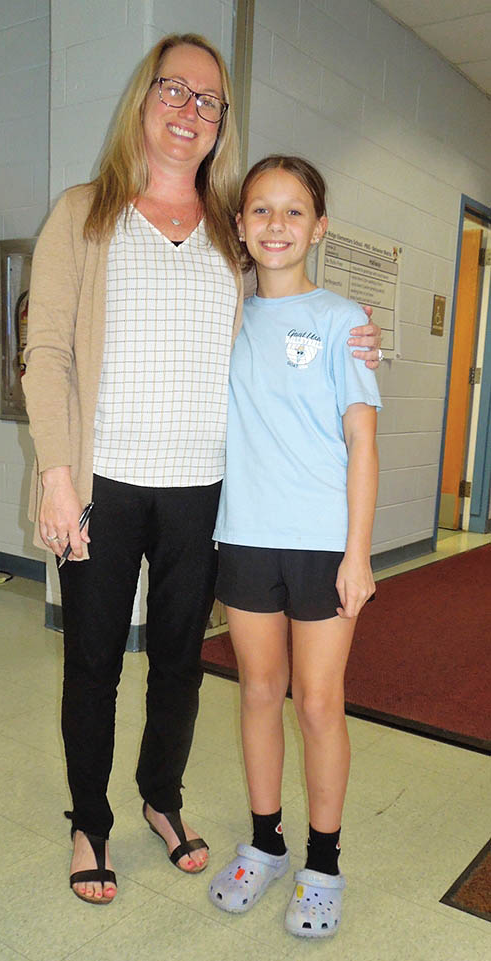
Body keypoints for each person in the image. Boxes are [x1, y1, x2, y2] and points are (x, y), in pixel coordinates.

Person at [23, 36, 382, 906]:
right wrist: (57, 476)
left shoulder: (230, 230)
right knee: (94, 663)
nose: (189, 110)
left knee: (180, 663)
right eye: (174, 91)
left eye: (208, 100)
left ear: (222, 122)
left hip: (205, 492)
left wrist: (357, 335)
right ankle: (89, 821)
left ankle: (162, 797)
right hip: (102, 486)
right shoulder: (84, 213)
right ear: (143, 100)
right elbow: (47, 349)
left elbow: (289, 314)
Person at [209, 155, 381, 938]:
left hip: (321, 545)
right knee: (256, 691)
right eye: (260, 209)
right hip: (245, 535)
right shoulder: (225, 317)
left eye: (293, 210)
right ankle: (266, 843)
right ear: (239, 225)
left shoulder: (344, 321)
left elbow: (362, 441)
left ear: (318, 227)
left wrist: (358, 551)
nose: (275, 224)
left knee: (316, 702)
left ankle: (324, 862)